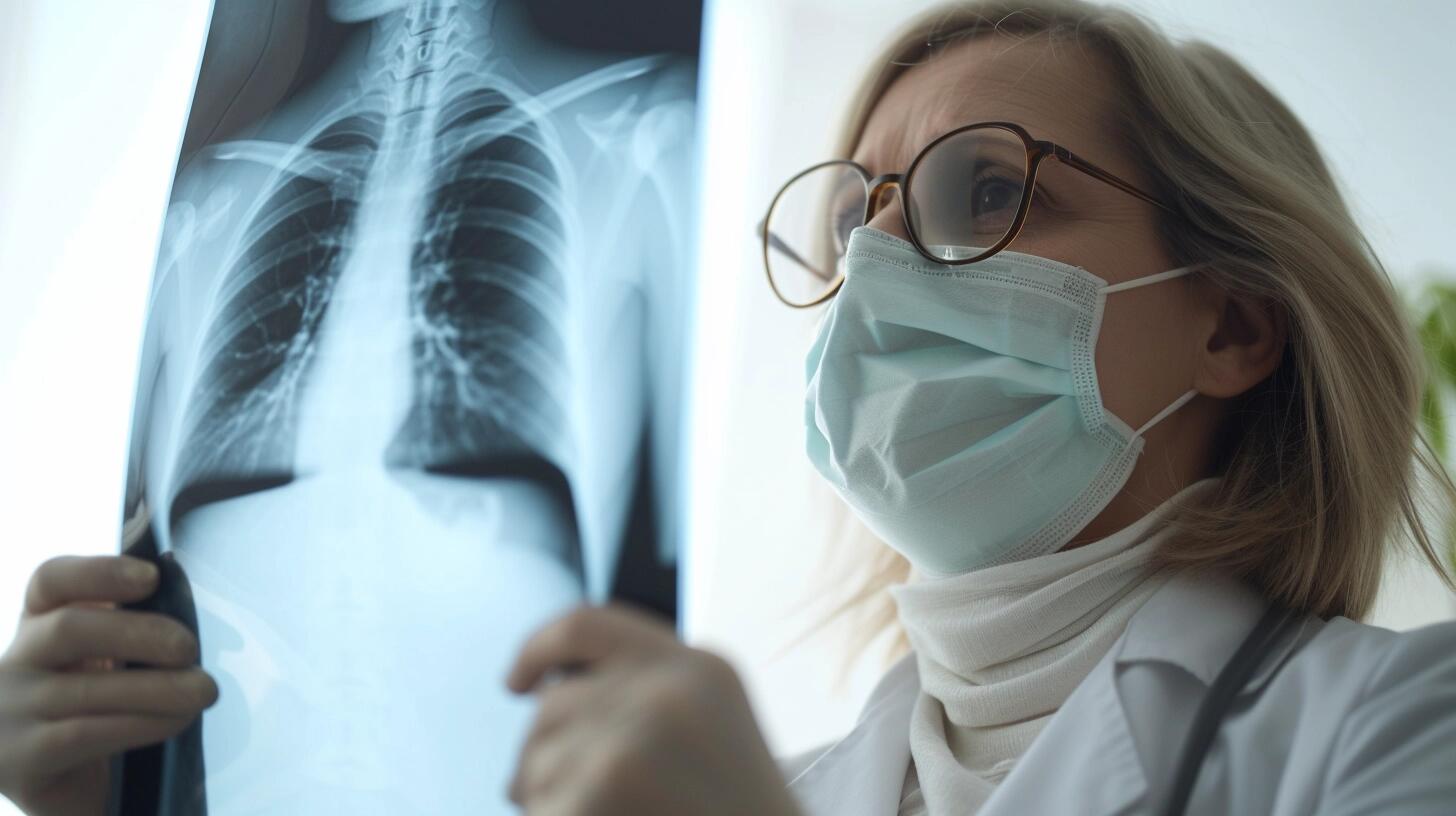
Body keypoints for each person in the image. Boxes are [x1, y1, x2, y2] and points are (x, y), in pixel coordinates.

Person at [2, 1, 1454, 814]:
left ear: (1237, 325)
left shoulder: (1399, 724)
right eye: (851, 228)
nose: (881, 269)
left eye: (988, 193)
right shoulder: (789, 786)